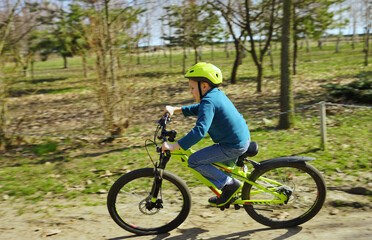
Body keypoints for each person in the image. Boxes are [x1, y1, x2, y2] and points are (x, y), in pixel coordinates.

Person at [161, 62, 250, 207]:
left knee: (194, 160)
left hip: (232, 145)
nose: (190, 92)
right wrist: (175, 109)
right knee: (213, 162)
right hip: (240, 138)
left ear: (204, 86)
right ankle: (229, 191)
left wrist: (175, 146)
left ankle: (230, 186)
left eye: (192, 88)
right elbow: (199, 108)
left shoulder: (209, 101)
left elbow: (199, 131)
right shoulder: (214, 96)